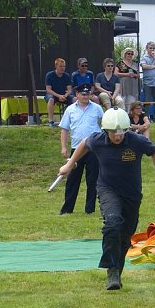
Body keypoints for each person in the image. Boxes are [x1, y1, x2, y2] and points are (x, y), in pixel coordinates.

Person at [59, 108, 155, 290]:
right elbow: (84, 143)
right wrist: (70, 164)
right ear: (105, 131)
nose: (117, 136)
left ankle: (117, 270)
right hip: (107, 189)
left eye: (121, 132)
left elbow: (154, 151)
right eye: (113, 133)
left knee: (125, 236)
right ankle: (111, 269)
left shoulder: (136, 140)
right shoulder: (98, 140)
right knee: (112, 223)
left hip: (132, 193)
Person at [58, 83, 104, 215]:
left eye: (87, 94)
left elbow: (104, 125)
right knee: (73, 179)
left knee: (92, 179)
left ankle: (90, 209)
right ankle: (67, 209)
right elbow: (64, 129)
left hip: (93, 149)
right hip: (76, 148)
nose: (85, 96)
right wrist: (63, 147)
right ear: (77, 95)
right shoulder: (70, 109)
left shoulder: (97, 108)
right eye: (83, 94)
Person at [44, 57, 73, 127]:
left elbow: (69, 90)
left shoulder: (67, 76)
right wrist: (59, 96)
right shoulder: (49, 75)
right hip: (53, 95)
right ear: (56, 66)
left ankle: (72, 120)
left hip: (64, 95)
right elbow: (48, 89)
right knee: (51, 99)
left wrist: (65, 95)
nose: (62, 68)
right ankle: (51, 121)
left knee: (75, 99)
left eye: (64, 66)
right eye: (60, 66)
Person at [140, 41, 155, 121]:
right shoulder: (144, 57)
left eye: (153, 48)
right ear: (147, 49)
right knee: (147, 101)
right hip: (148, 83)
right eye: (150, 48)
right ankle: (146, 119)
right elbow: (144, 66)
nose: (152, 50)